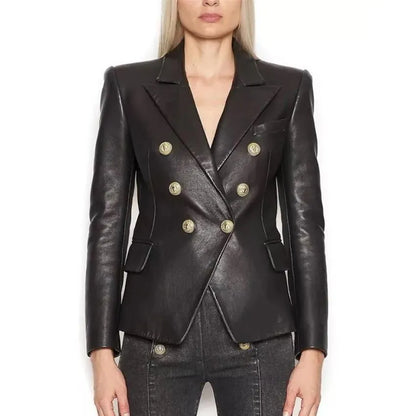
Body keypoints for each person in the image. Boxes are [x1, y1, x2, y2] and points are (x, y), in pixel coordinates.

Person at [85, 1, 328, 415]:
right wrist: (102, 352)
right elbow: (108, 222)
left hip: (258, 325)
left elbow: (305, 224)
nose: (210, 0)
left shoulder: (288, 88)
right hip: (157, 324)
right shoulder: (129, 87)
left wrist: (313, 351)